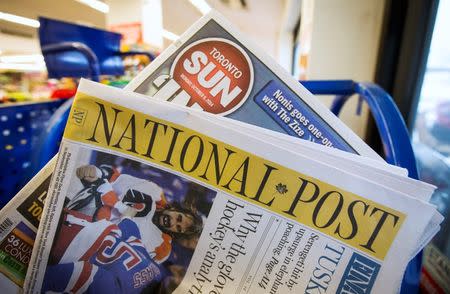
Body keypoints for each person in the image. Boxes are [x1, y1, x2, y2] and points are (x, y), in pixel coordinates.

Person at [69, 164, 203, 263]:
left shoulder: (162, 249)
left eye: (178, 227)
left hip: (84, 246)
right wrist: (96, 172)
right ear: (176, 209)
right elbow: (113, 178)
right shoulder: (154, 192)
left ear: (177, 233)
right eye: (178, 218)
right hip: (80, 211)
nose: (173, 222)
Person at [42, 210, 166, 293]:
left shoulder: (157, 272)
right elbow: (83, 272)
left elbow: (130, 230)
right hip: (64, 245)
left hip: (77, 220)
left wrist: (128, 214)